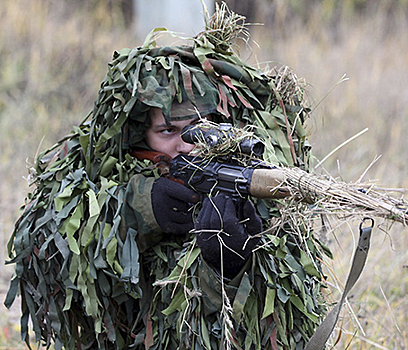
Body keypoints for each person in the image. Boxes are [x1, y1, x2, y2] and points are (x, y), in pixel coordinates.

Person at [5, 7, 330, 350]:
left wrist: (227, 267)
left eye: (201, 129)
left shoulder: (247, 176)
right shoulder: (102, 173)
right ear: (137, 135)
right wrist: (141, 208)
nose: (186, 145)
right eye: (168, 131)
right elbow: (47, 255)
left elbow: (251, 323)